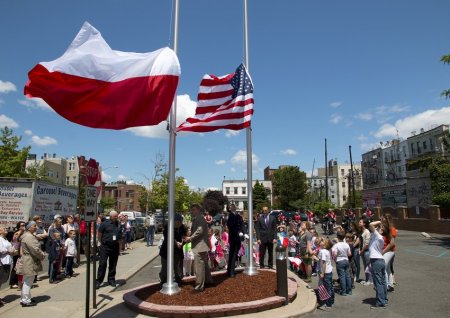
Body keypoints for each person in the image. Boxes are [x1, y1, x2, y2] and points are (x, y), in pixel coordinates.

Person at [185, 204, 213, 292]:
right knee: (204, 265)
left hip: (199, 246)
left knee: (199, 267)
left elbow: (199, 230)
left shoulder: (199, 218)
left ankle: (199, 287)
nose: (191, 211)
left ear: (198, 210)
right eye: (191, 210)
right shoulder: (199, 218)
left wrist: (190, 238)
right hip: (202, 246)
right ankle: (208, 281)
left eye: (193, 210)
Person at [18, 221, 45, 307]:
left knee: (27, 280)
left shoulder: (27, 235)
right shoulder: (29, 237)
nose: (36, 227)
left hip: (28, 259)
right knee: (28, 281)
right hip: (30, 260)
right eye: (34, 226)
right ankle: (25, 300)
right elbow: (35, 249)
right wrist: (42, 255)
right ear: (29, 228)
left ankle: (25, 298)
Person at [96, 210, 122, 289]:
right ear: (110, 216)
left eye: (117, 216)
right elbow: (99, 234)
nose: (116, 217)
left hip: (115, 247)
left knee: (113, 264)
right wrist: (101, 243)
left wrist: (120, 248)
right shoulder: (104, 224)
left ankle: (111, 279)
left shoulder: (118, 224)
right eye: (115, 216)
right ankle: (99, 281)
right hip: (105, 247)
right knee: (102, 264)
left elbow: (120, 236)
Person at [159, 213, 186, 287]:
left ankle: (178, 278)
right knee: (165, 267)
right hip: (166, 251)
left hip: (177, 251)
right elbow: (168, 237)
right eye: (177, 222)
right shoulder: (168, 227)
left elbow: (184, 237)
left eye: (180, 222)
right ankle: (163, 281)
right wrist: (176, 243)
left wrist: (182, 242)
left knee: (176, 266)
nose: (179, 224)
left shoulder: (182, 227)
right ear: (173, 221)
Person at [368, 220, 388, 309]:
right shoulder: (378, 237)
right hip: (380, 260)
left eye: (380, 228)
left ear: (382, 231)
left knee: (378, 282)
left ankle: (380, 302)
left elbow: (371, 224)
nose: (377, 228)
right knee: (382, 281)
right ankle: (384, 300)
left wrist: (380, 221)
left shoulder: (378, 236)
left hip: (376, 260)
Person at [226, 203, 245, 277]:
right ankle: (231, 272)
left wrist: (245, 233)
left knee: (235, 254)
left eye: (234, 206)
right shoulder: (229, 216)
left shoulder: (238, 216)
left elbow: (242, 225)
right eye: (231, 207)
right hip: (233, 237)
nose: (233, 208)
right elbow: (231, 226)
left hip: (238, 238)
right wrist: (238, 232)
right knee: (233, 254)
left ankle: (230, 270)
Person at [332, 230, 352, 296]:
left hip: (339, 261)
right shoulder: (346, 245)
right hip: (346, 260)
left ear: (337, 237)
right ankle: (349, 290)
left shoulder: (336, 245)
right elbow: (349, 254)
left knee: (342, 276)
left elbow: (334, 254)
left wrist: (337, 254)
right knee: (348, 276)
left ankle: (343, 291)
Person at [317, 237, 334, 311]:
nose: (320, 242)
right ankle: (331, 301)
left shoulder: (323, 251)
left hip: (325, 272)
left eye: (322, 241)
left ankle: (328, 304)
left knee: (327, 288)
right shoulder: (326, 251)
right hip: (328, 271)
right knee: (330, 287)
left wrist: (322, 273)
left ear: (325, 244)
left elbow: (323, 263)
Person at [0, 226, 16, 307]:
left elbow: (10, 247)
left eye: (6, 229)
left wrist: (12, 250)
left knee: (3, 280)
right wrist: (9, 251)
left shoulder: (5, 239)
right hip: (2, 263)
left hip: (7, 261)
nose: (6, 229)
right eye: (4, 229)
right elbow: (1, 249)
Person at [9, 221, 25, 290]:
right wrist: (20, 233)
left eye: (24, 225)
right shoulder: (17, 233)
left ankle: (19, 282)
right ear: (18, 226)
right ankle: (12, 283)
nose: (23, 226)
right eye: (21, 225)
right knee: (15, 267)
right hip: (17, 252)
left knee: (20, 268)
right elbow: (15, 241)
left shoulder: (24, 233)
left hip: (21, 251)